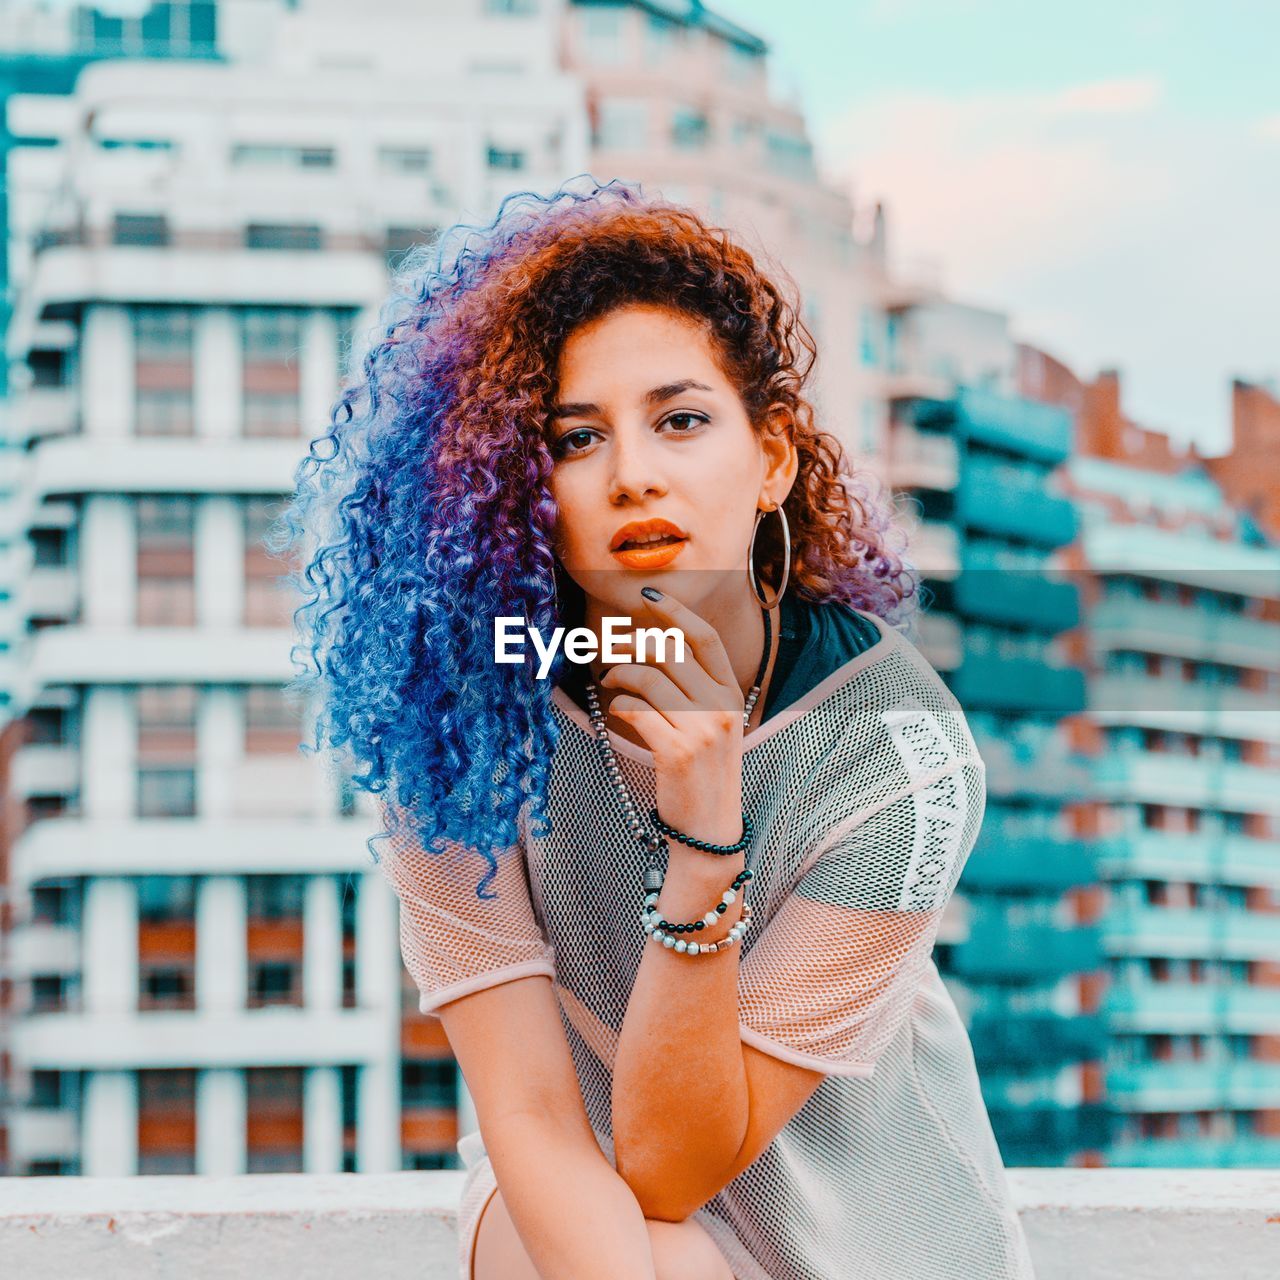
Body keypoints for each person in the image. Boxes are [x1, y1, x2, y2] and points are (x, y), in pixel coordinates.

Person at [277, 177, 1037, 1280]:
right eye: (573, 439)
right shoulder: (458, 720)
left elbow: (676, 1159)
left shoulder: (897, 751)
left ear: (771, 457)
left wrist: (703, 838)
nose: (633, 475)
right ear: (516, 486)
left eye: (679, 420)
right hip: (581, 1198)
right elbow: (533, 1113)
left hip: (870, 1238)